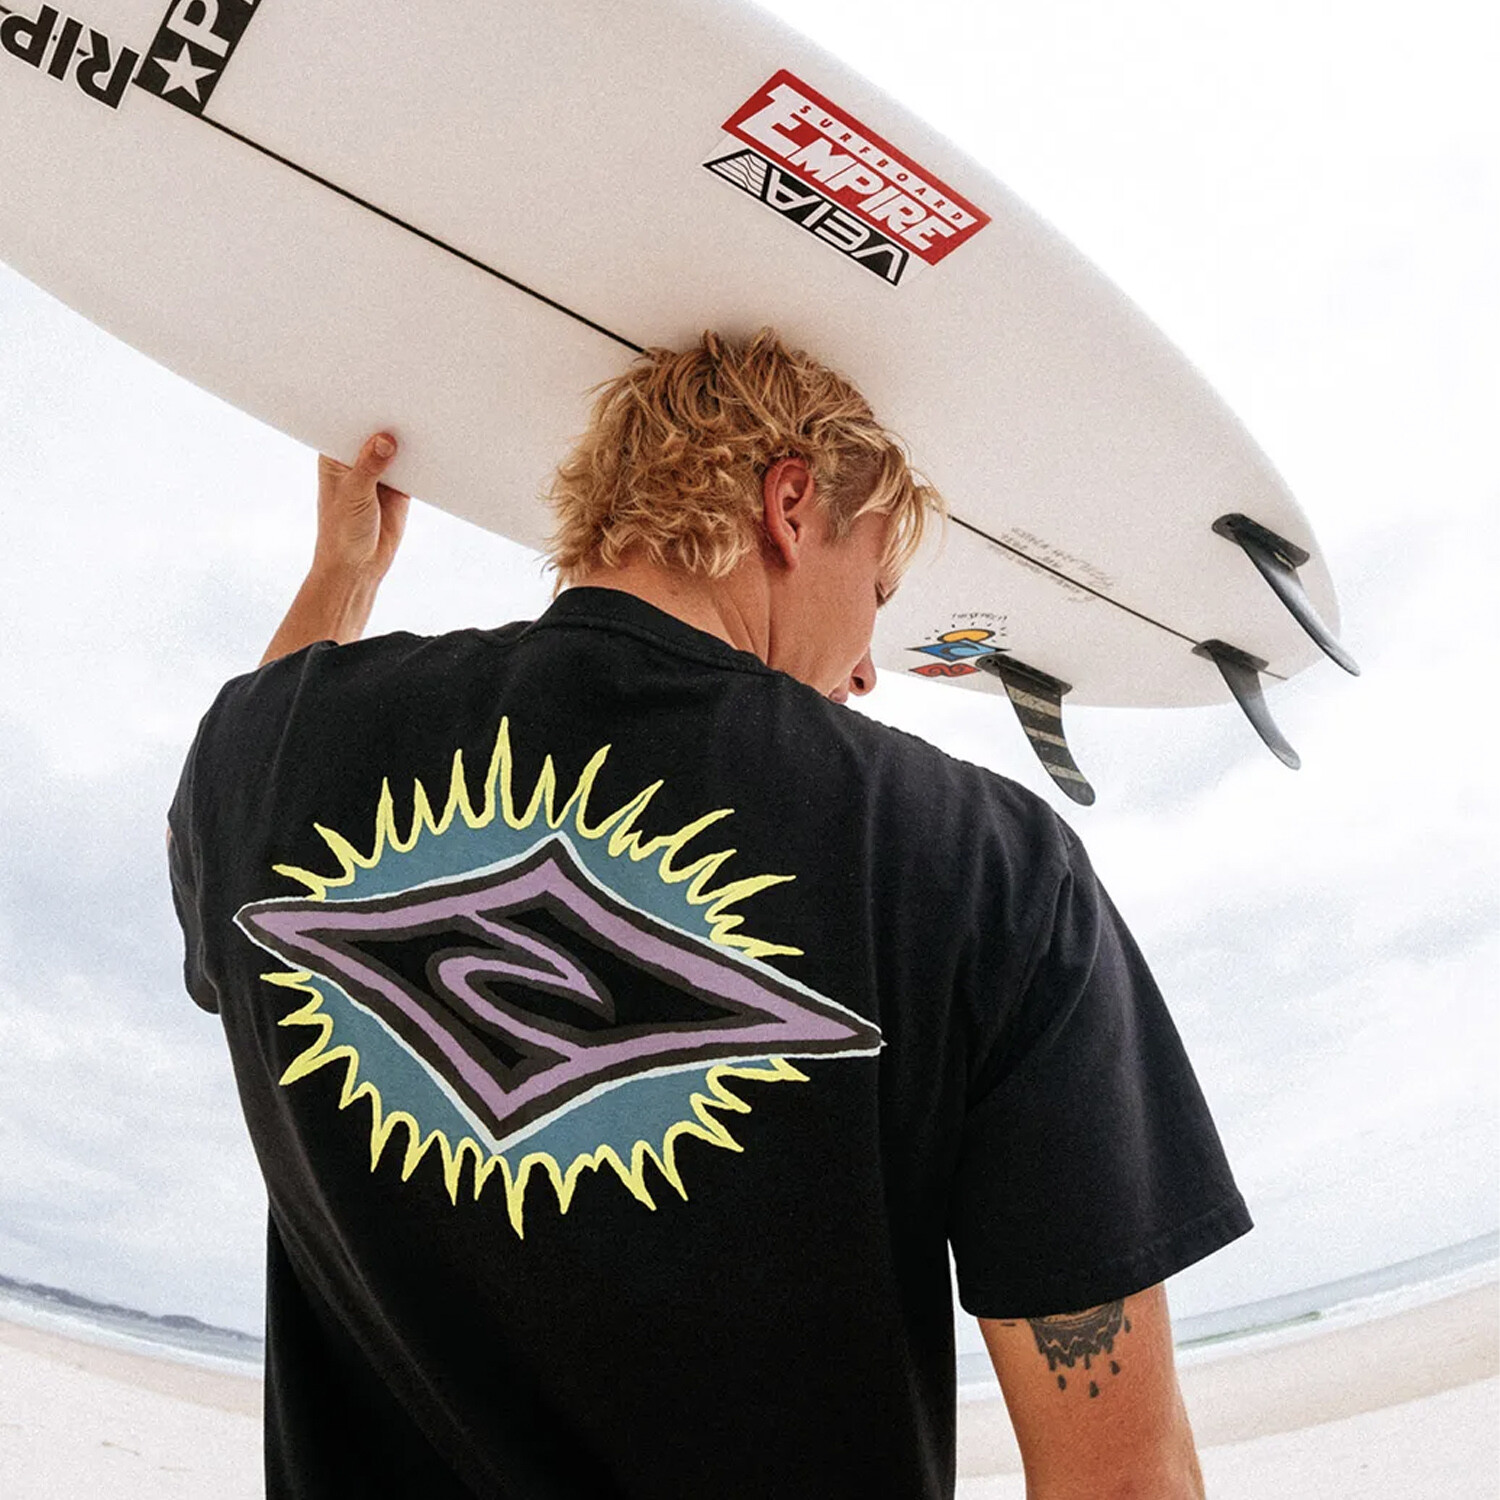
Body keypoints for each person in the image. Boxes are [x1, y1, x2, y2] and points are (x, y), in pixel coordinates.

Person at [167, 329, 1252, 1498]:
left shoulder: (256, 753)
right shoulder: (985, 863)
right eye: (878, 589)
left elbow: (250, 808)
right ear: (791, 506)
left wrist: (342, 578)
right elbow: (1121, 1478)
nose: (869, 669)